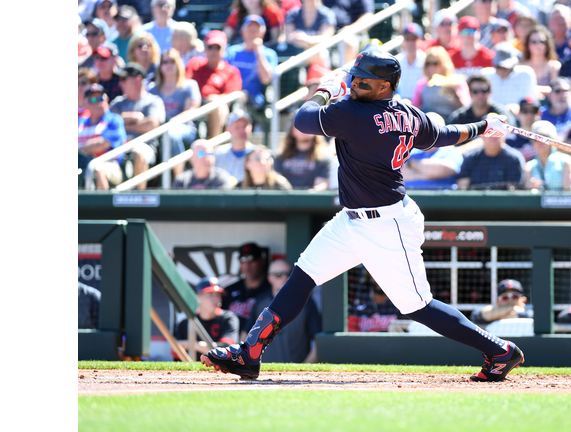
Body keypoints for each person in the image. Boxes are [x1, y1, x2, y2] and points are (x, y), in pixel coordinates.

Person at [201, 50, 525, 383]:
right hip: (352, 219)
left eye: (362, 80)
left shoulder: (352, 111)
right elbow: (443, 136)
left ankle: (499, 351)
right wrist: (484, 126)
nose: (353, 83)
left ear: (385, 86)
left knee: (417, 306)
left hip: (387, 225)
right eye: (353, 77)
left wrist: (325, 91)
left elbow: (302, 119)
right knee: (302, 276)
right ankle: (250, 353)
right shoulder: (408, 114)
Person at [245, 259, 322, 363]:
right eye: (278, 274)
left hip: (295, 373)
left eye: (288, 274)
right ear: (269, 278)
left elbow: (319, 343)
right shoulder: (260, 302)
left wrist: (302, 369)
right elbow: (245, 335)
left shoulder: (306, 302)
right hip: (263, 372)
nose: (284, 277)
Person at [109, 63, 167, 190]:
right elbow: (108, 123)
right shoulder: (117, 102)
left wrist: (122, 124)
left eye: (124, 79)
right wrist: (135, 117)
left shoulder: (153, 101)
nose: (120, 83)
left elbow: (151, 125)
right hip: (119, 145)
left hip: (145, 145)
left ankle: (138, 199)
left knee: (138, 152)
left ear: (138, 79)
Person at [148, 48, 202, 177]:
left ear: (179, 64)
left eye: (172, 61)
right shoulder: (152, 88)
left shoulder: (189, 85)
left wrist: (170, 123)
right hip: (158, 128)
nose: (168, 65)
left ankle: (179, 179)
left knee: (171, 135)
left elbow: (191, 110)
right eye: (165, 62)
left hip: (184, 128)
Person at [186, 30, 243, 138]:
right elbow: (185, 85)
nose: (213, 51)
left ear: (224, 50)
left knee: (217, 106)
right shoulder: (195, 64)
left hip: (219, 107)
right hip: (194, 104)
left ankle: (213, 146)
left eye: (217, 47)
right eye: (210, 47)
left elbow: (231, 97)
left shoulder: (231, 71)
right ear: (205, 48)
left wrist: (213, 99)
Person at [223, 15, 278, 118]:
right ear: (242, 32)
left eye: (256, 31)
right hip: (229, 93)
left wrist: (258, 51)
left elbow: (266, 79)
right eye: (249, 30)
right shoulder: (232, 52)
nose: (252, 34)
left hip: (253, 98)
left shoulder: (269, 54)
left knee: (239, 96)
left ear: (263, 33)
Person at [173, 277, 240, 361]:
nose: (215, 299)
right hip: (192, 371)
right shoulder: (186, 323)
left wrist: (193, 345)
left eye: (218, 295)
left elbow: (226, 350)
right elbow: (174, 352)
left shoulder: (228, 318)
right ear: (197, 297)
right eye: (210, 294)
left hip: (219, 370)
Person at [78, 84, 127, 190]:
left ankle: (103, 206)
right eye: (93, 99)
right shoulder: (80, 123)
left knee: (97, 169)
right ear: (86, 103)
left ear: (107, 100)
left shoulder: (114, 120)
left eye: (101, 98)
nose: (98, 103)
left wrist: (79, 149)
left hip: (111, 165)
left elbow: (102, 144)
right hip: (82, 164)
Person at [222, 242, 272, 341]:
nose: (248, 265)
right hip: (234, 346)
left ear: (262, 261)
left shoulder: (271, 290)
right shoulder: (229, 290)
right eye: (243, 260)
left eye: (252, 259)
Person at [402, 112, 464, 190]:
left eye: (434, 130)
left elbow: (443, 169)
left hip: (439, 199)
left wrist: (412, 164)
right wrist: (429, 175)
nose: (429, 134)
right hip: (410, 196)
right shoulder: (412, 151)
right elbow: (400, 174)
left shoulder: (451, 151)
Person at [456, 124, 526, 190]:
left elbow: (513, 192)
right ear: (481, 135)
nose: (493, 135)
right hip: (474, 202)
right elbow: (462, 189)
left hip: (502, 202)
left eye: (498, 131)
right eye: (489, 131)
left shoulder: (514, 158)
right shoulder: (470, 157)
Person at [410, 46, 471, 121]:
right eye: (428, 63)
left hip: (450, 123)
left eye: (435, 63)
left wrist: (455, 95)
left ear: (444, 64)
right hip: (429, 123)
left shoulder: (457, 82)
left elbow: (466, 109)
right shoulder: (421, 85)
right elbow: (413, 110)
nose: (431, 67)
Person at [481, 43, 537, 114]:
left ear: (514, 63)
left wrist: (519, 108)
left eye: (505, 67)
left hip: (518, 118)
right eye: (498, 66)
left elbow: (532, 102)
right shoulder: (485, 75)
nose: (501, 70)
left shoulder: (526, 74)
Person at [523, 120, 571, 190]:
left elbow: (570, 194)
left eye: (544, 138)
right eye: (536, 139)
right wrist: (530, 188)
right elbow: (526, 196)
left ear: (552, 141)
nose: (540, 142)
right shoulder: (529, 166)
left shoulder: (566, 162)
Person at [274, 121, 332, 190]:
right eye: (300, 125)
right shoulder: (280, 156)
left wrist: (304, 197)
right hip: (284, 198)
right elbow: (276, 181)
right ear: (292, 131)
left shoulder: (323, 157)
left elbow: (321, 184)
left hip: (310, 199)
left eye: (309, 126)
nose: (305, 129)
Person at [446, 75, 515, 127]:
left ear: (490, 92)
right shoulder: (459, 116)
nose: (480, 95)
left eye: (484, 91)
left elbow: (510, 135)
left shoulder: (501, 114)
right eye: (475, 91)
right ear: (469, 93)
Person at [284, 0, 336, 68]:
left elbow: (326, 38)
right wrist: (304, 42)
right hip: (297, 52)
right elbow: (289, 37)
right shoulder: (293, 14)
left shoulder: (327, 14)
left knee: (318, 53)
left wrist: (308, 40)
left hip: (318, 53)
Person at [323, 0, 374, 66]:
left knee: (349, 42)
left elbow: (368, 16)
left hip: (350, 33)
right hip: (324, 31)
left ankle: (345, 75)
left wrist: (350, 29)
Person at [216, 109, 257, 185]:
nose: (241, 130)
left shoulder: (258, 155)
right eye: (237, 127)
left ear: (251, 128)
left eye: (244, 126)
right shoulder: (218, 154)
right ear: (228, 129)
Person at [519, 24, 561, 96]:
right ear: (528, 45)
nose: (538, 45)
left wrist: (532, 88)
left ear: (547, 45)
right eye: (534, 42)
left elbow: (554, 89)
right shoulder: (521, 66)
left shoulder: (554, 66)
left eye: (542, 42)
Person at [394, 23, 426, 102]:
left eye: (414, 39)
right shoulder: (396, 61)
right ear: (403, 41)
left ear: (420, 40)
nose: (411, 43)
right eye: (408, 39)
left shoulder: (427, 60)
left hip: (421, 105)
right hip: (400, 103)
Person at [505, 96, 540, 161]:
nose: (529, 115)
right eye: (525, 111)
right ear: (518, 114)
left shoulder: (544, 139)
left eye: (533, 111)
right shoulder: (508, 140)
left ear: (539, 114)